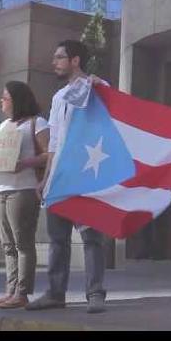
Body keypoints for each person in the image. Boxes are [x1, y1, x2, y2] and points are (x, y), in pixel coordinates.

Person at [26, 40, 108, 314]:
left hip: (84, 175)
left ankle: (95, 293)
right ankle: (55, 293)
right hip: (59, 176)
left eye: (60, 57)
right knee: (57, 239)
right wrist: (45, 178)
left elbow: (110, 120)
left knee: (90, 237)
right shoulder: (59, 97)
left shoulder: (98, 87)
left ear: (75, 60)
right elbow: (54, 143)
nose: (54, 62)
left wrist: (100, 89)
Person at [0, 81, 49, 309]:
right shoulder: (3, 127)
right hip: (0, 189)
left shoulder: (36, 123)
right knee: (7, 245)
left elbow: (48, 155)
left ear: (17, 100)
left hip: (23, 189)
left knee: (23, 243)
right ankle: (10, 291)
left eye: (5, 98)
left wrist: (24, 163)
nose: (1, 101)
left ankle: (22, 293)